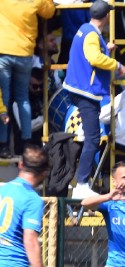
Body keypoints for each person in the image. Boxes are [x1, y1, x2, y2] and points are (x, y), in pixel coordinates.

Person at [64, 1, 125, 199]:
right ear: (106, 16)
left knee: (90, 135)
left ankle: (82, 181)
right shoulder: (92, 34)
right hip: (86, 92)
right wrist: (117, 65)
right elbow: (93, 58)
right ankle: (81, 184)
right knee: (93, 139)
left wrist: (105, 48)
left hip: (78, 89)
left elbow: (90, 51)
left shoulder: (85, 29)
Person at [0, 0, 55, 158]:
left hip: (3, 51)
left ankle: (4, 146)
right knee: (23, 98)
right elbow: (49, 11)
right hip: (24, 53)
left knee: (4, 101)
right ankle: (26, 143)